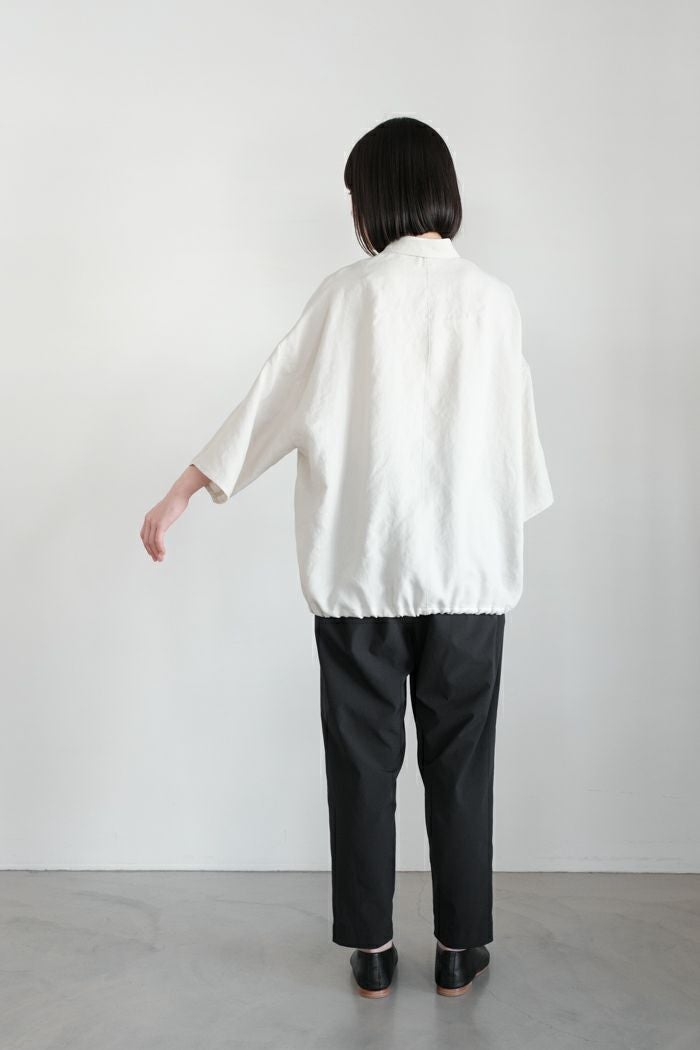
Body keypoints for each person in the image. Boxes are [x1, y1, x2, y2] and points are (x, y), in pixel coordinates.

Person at [140, 116, 554, 998]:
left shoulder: (346, 297)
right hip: (469, 575)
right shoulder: (495, 301)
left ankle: (371, 951)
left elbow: (270, 403)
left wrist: (185, 489)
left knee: (363, 769)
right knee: (462, 768)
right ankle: (460, 950)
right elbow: (517, 453)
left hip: (362, 571)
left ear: (377, 200)